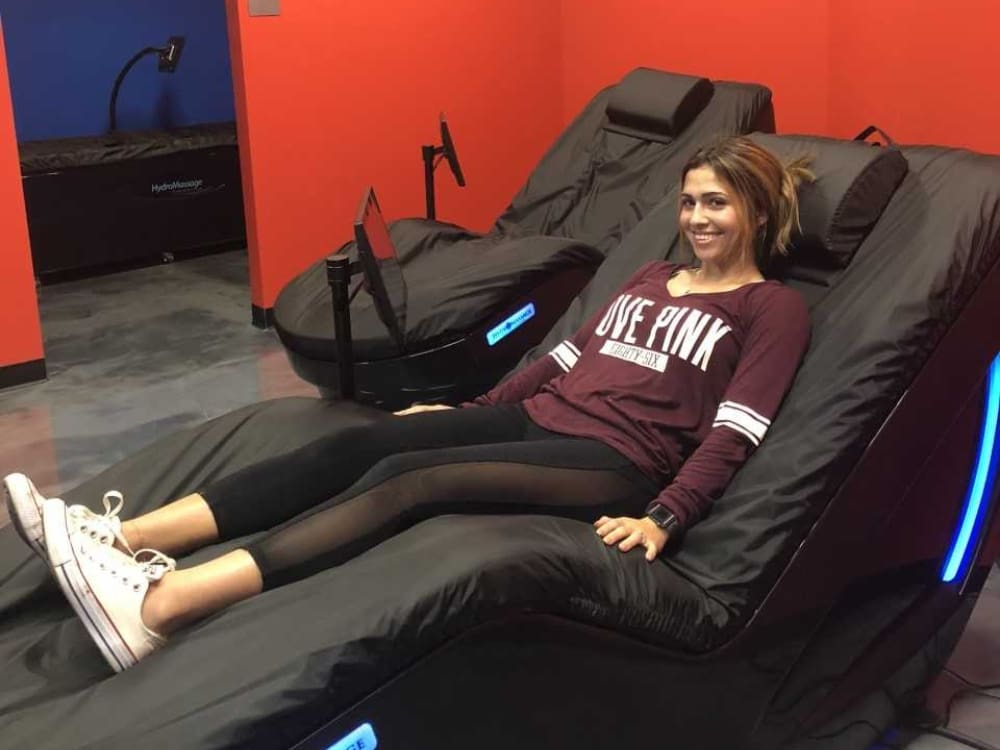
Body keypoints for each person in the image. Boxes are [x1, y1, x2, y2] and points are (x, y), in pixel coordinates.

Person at [4, 136, 813, 673]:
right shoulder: (648, 279)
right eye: (690, 201)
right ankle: (117, 536)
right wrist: (470, 410)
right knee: (357, 442)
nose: (698, 219)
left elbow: (737, 429)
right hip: (543, 416)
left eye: (718, 204)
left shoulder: (769, 308)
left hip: (619, 463)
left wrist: (666, 516)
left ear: (758, 213)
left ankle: (161, 606)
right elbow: (562, 358)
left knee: (409, 481)